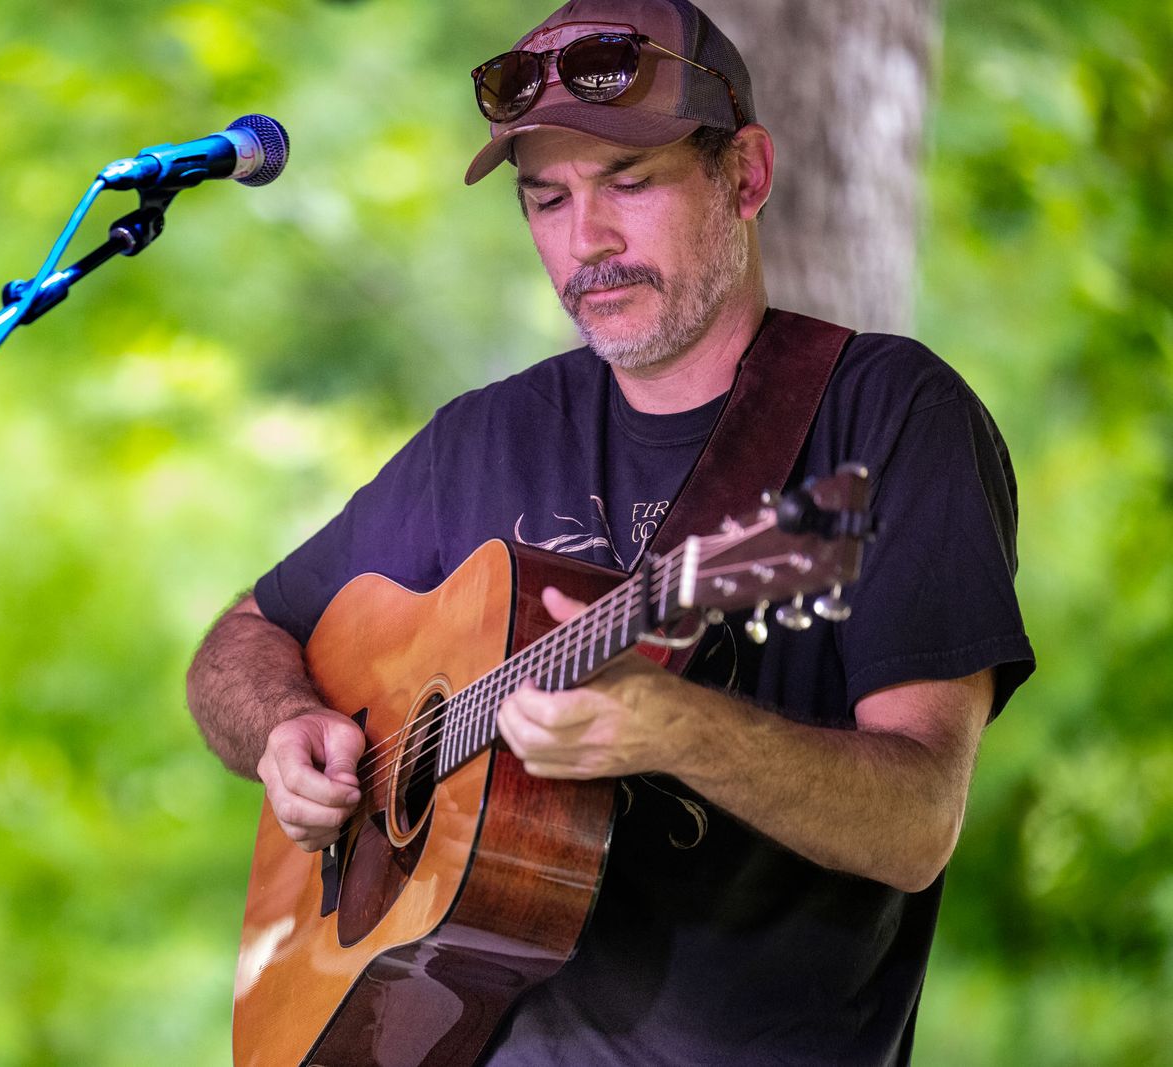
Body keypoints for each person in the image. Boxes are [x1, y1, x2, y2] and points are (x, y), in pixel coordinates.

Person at [187, 0, 1035, 1061]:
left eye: (629, 183)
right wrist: (286, 728)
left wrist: (679, 729)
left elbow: (917, 825)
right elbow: (239, 640)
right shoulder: (483, 438)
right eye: (547, 199)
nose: (585, 239)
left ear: (746, 176)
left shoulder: (887, 415)